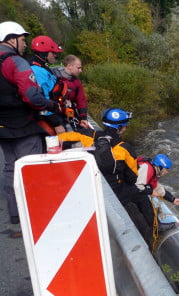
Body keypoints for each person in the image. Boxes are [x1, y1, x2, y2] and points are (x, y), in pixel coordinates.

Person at [60, 108, 155, 246]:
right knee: (141, 195)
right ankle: (151, 236)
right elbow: (133, 177)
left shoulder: (87, 135)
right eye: (125, 126)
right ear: (120, 128)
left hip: (92, 186)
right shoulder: (125, 148)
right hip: (116, 192)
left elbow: (60, 139)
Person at [0, 21, 62, 224]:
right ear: (11, 39)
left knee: (11, 167)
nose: (26, 45)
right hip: (23, 125)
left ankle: (16, 212)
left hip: (3, 126)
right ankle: (38, 214)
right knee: (33, 167)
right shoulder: (15, 62)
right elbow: (32, 97)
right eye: (23, 40)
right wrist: (51, 105)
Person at [29, 35, 65, 135]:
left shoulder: (43, 67)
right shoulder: (37, 71)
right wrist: (57, 124)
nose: (55, 55)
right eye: (53, 52)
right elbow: (42, 100)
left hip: (54, 114)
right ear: (44, 53)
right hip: (47, 119)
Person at [52, 55, 91, 130]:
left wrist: (83, 118)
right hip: (54, 112)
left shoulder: (76, 82)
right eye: (78, 68)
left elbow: (81, 100)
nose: (80, 71)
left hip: (68, 111)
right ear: (70, 66)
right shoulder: (53, 77)